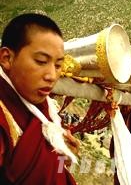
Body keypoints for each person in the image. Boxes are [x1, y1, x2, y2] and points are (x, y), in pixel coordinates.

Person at [0, 13, 79, 184]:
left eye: (58, 65)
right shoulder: (3, 117)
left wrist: (64, 157)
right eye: (41, 61)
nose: (52, 76)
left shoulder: (47, 110)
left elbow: (56, 171)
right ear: (7, 58)